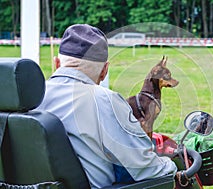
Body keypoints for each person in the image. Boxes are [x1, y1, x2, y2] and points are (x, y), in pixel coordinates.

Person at [36, 24, 177, 188]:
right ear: (104, 71)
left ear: (57, 63)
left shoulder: (31, 97)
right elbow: (146, 167)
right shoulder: (105, 100)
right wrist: (173, 164)